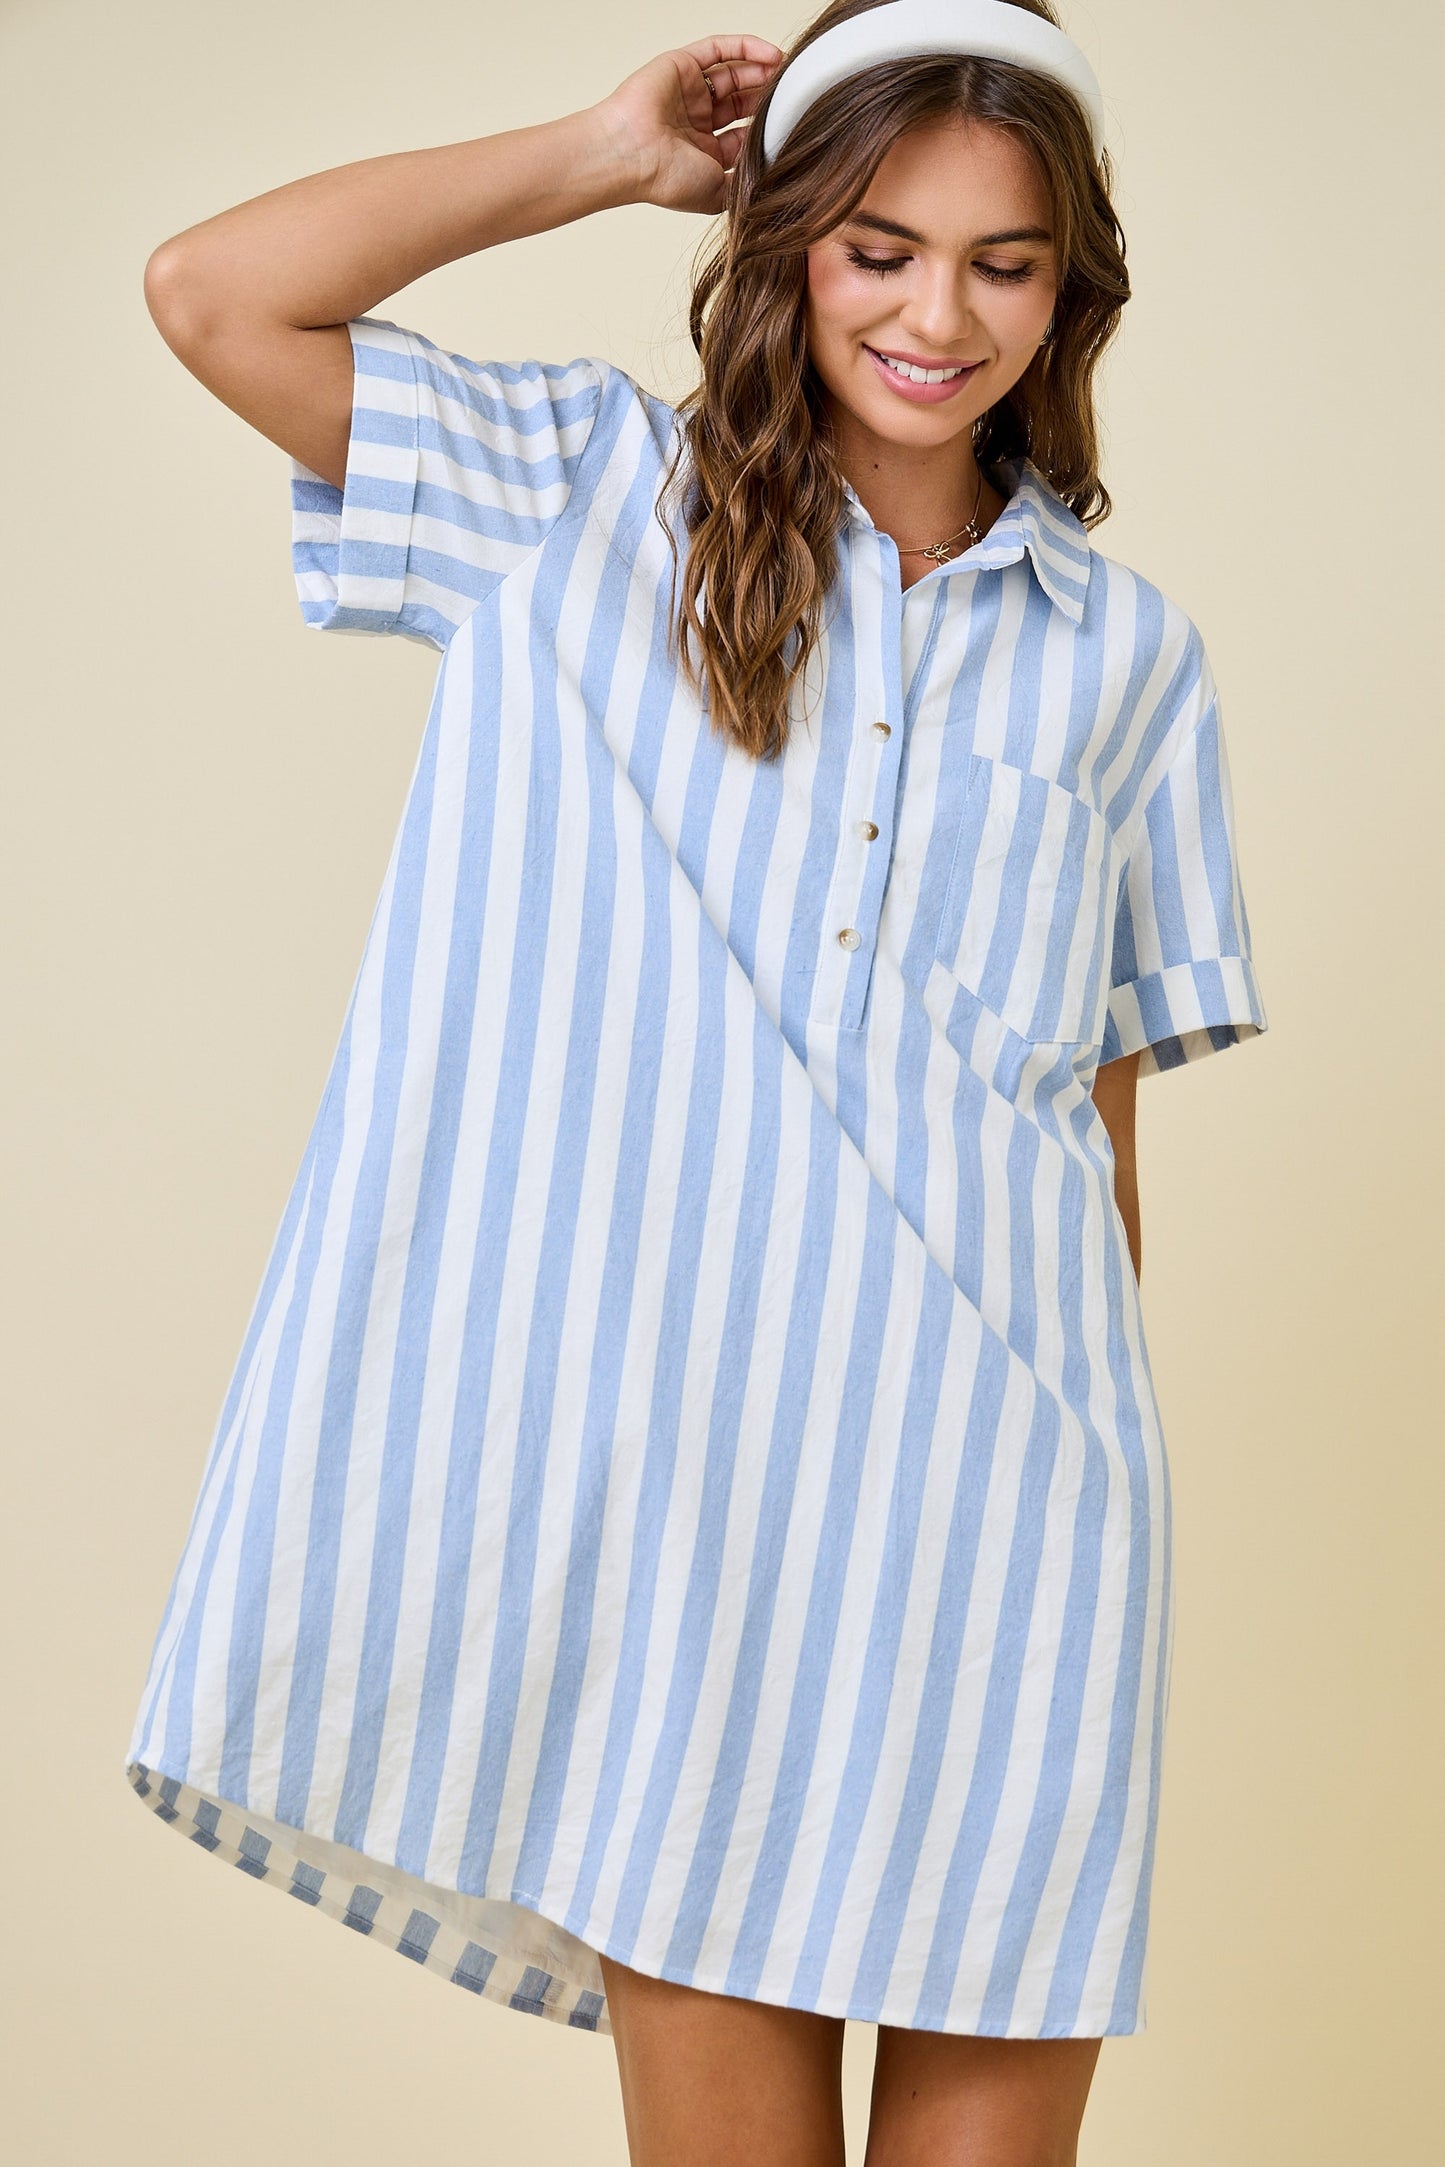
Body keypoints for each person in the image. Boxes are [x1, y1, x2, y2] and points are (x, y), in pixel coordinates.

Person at [125, 2, 1270, 2161]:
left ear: (1070, 286)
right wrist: (591, 148)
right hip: (703, 1544)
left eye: (1004, 262)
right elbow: (213, 290)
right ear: (787, 247)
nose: (941, 314)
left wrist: (1083, 1502)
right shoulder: (574, 503)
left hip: (1013, 1537)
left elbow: (1096, 1148)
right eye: (878, 247)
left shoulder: (1133, 665)